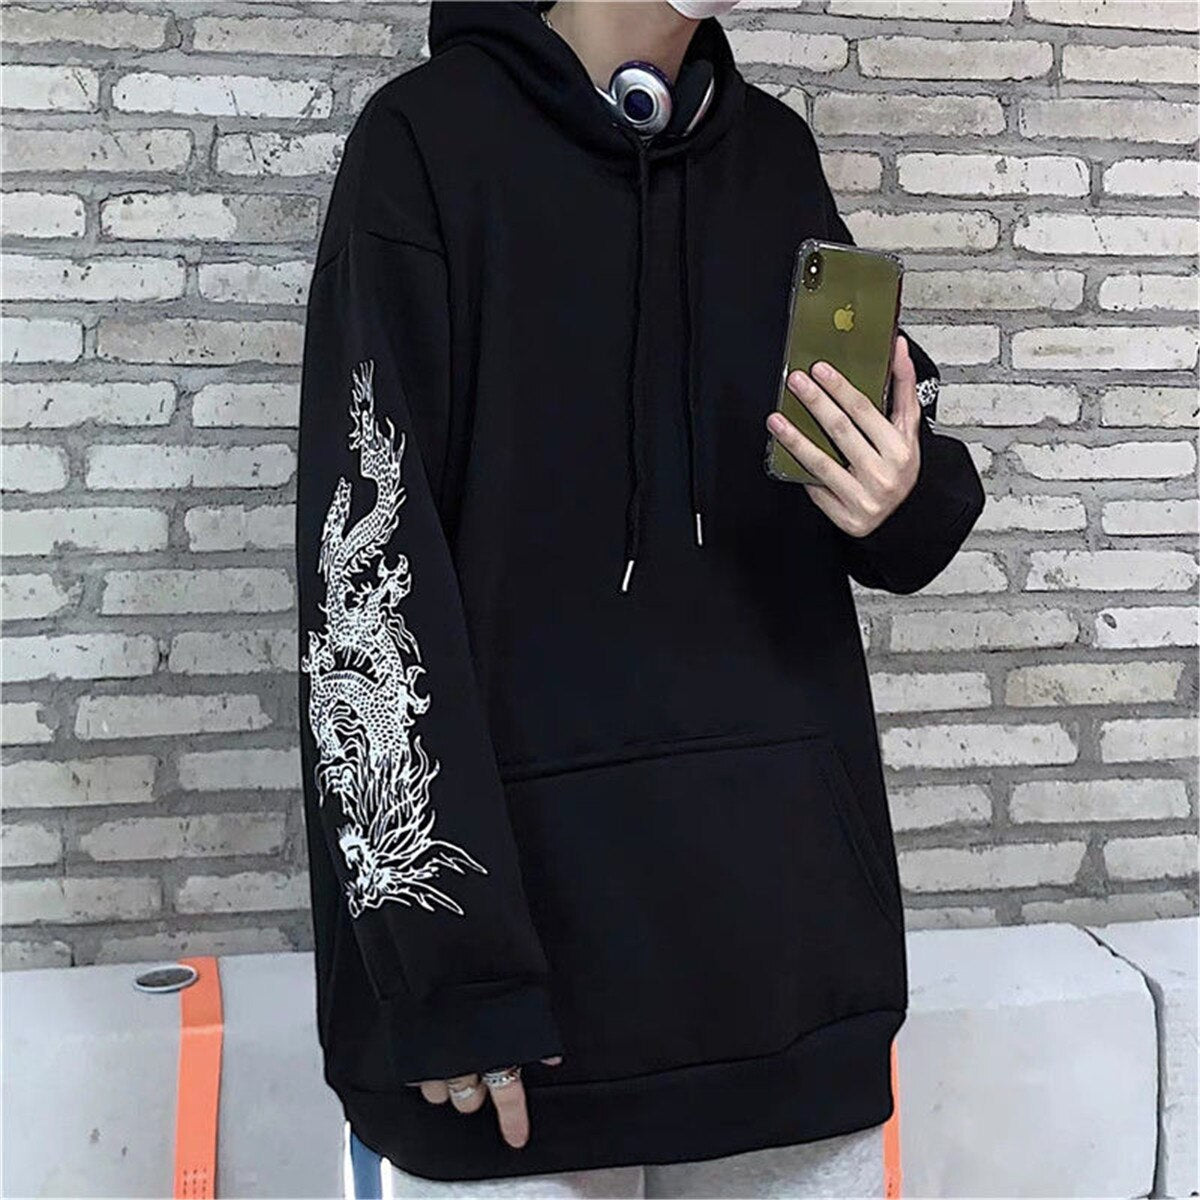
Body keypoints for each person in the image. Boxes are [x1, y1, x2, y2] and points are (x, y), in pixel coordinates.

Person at [295, 0, 986, 1187]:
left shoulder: (774, 158)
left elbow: (887, 494)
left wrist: (904, 494)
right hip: (520, 1037)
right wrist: (450, 978)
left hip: (788, 982)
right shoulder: (424, 146)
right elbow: (366, 581)